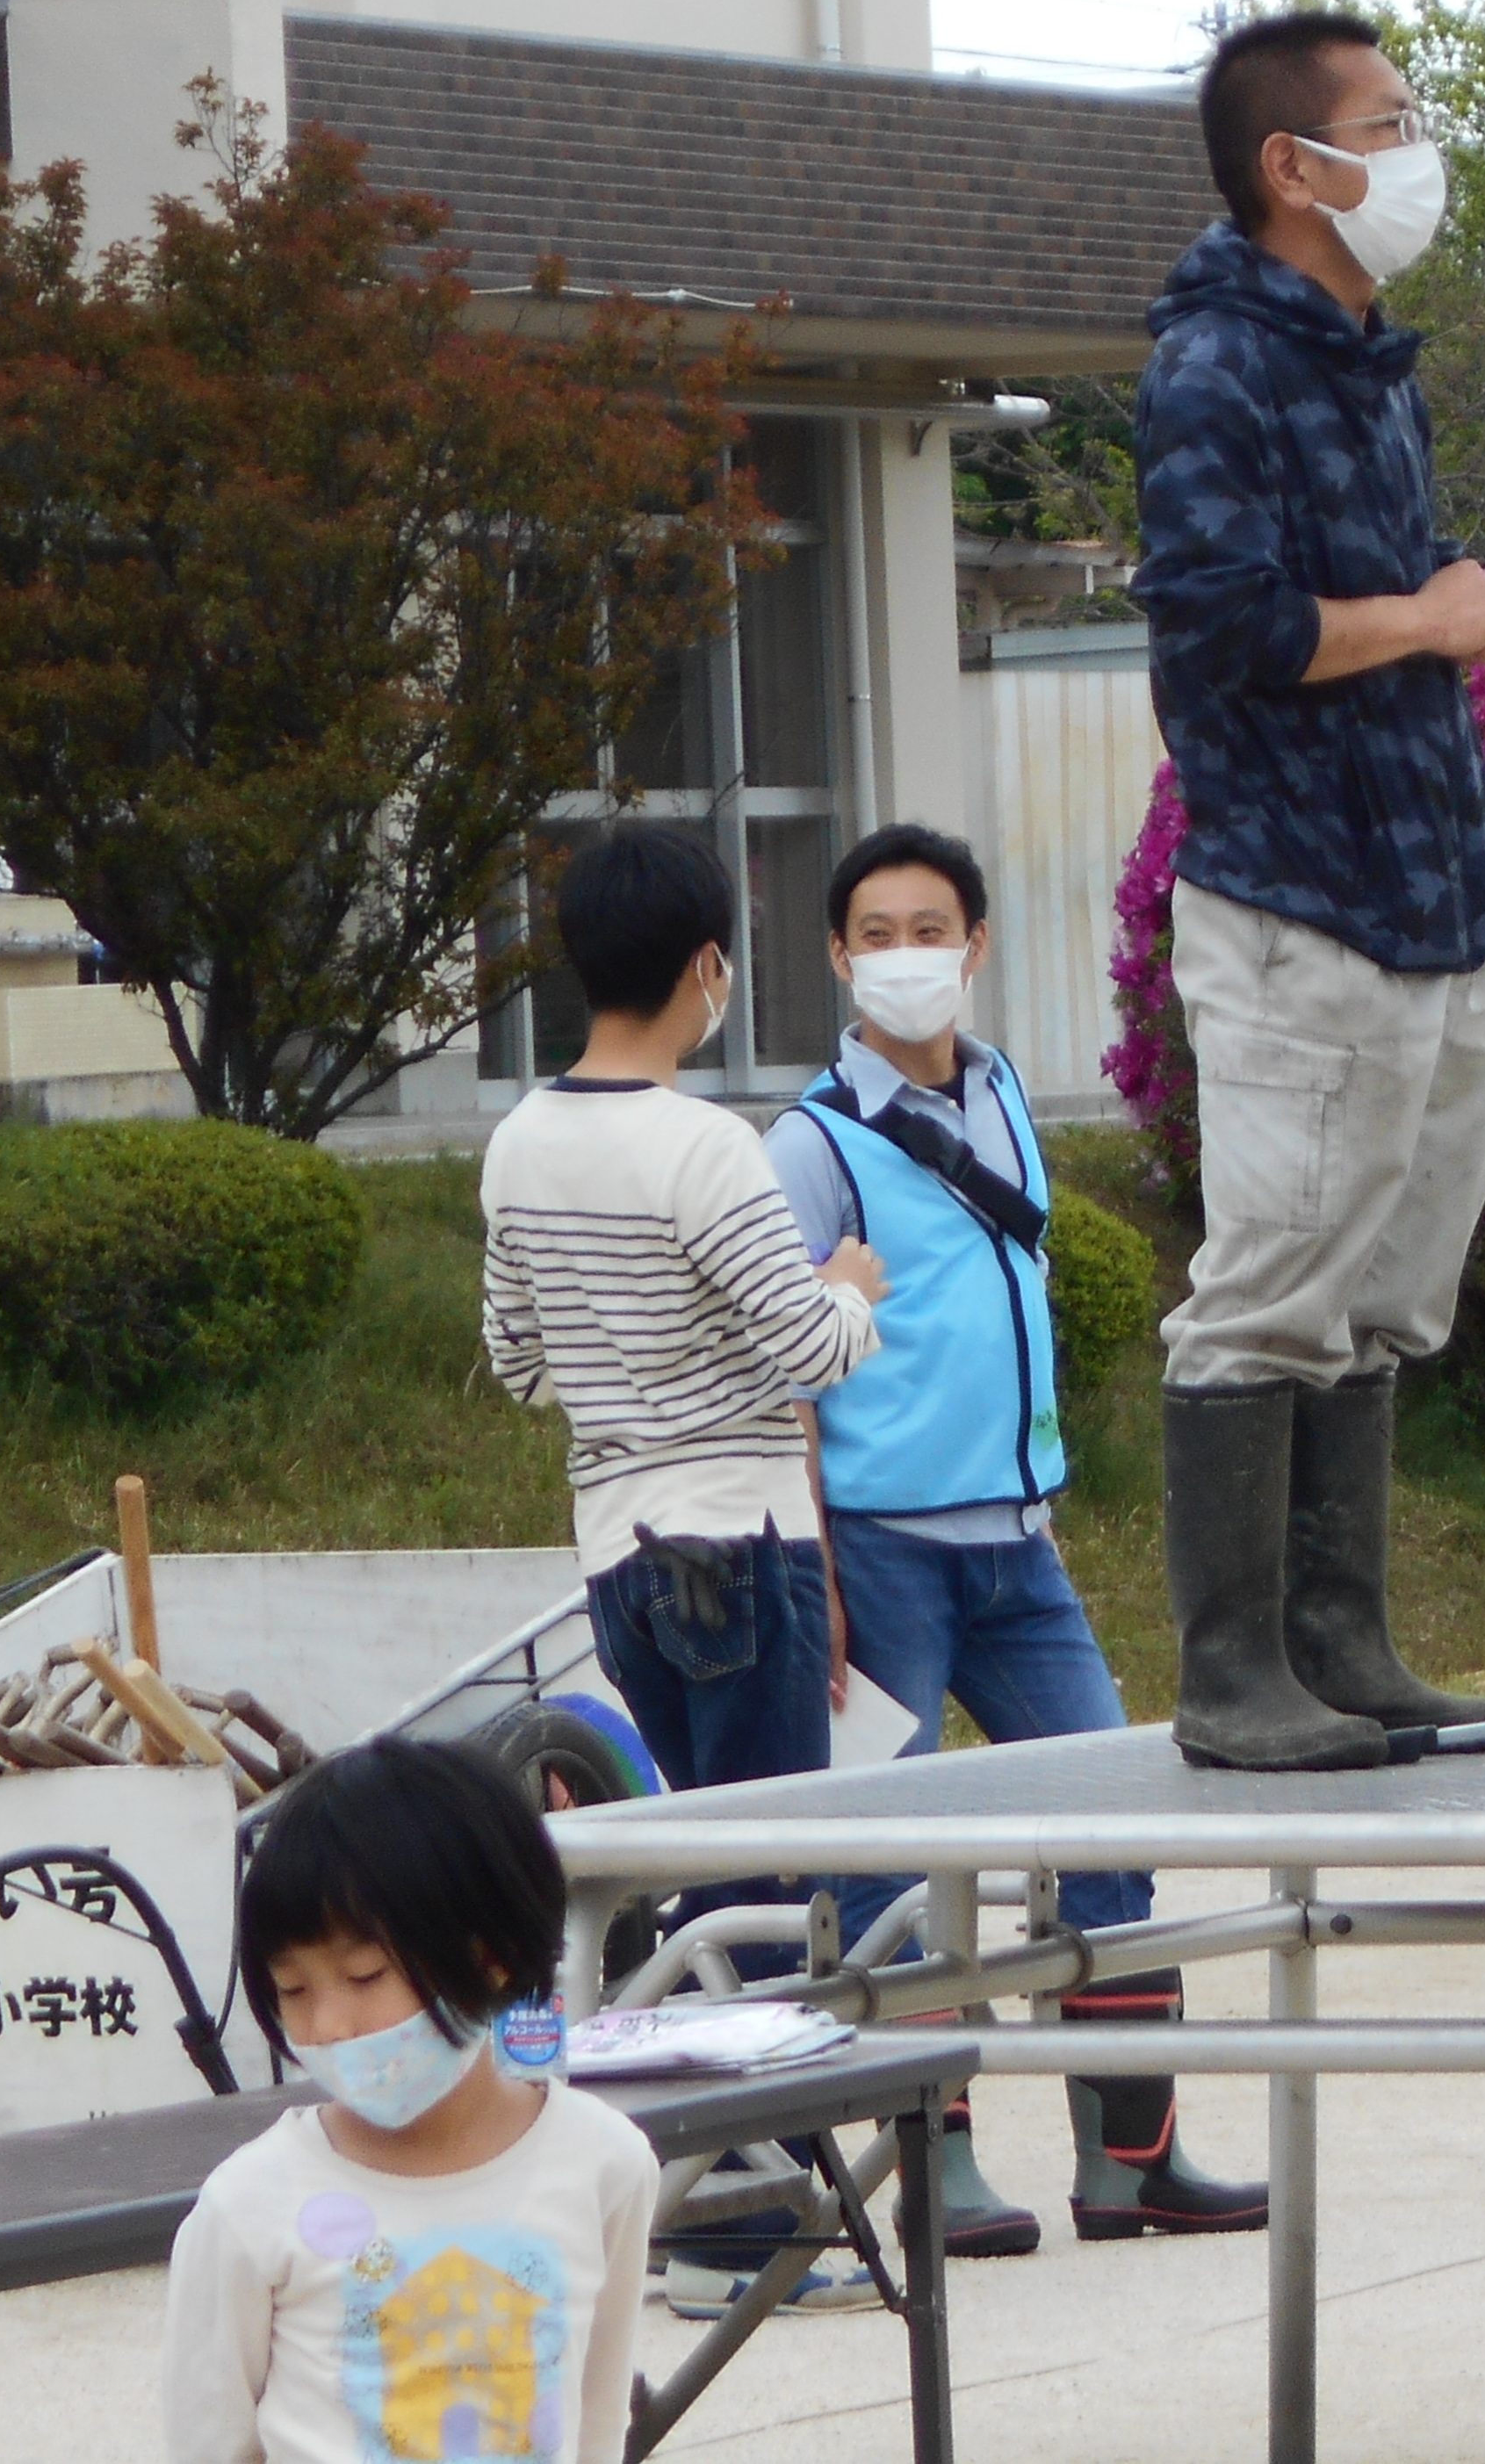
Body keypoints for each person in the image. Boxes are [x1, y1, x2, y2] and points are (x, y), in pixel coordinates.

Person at [766, 821, 1265, 2255]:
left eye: (932, 925)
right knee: (888, 1864)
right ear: (837, 954)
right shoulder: (808, 1144)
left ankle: (1131, 2158)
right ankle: (938, 2166)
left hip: (1018, 1548)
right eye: (876, 930)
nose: (906, 953)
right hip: (877, 1551)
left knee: (1115, 1821)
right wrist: (820, 1578)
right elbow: (786, 1370)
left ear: (976, 944)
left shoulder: (998, 1098)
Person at [1128, 7, 1485, 1771]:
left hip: (1428, 893)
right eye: (1388, 120)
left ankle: (1340, 1642)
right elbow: (1221, 626)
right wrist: (1432, 620)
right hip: (1297, 904)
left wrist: (1448, 613)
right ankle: (1232, 1675)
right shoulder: (1218, 362)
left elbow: (1363, 612)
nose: (1416, 147)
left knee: (1383, 1283)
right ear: (1294, 167)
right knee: (1274, 1274)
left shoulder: (1365, 358)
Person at [479, 821, 887, 2314]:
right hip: (743, 1536)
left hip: (617, 1557)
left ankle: (707, 2198)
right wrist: (850, 1290)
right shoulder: (706, 1142)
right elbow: (804, 1348)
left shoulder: (519, 1138)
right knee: (762, 1881)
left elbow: (514, 1359)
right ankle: (743, 2218)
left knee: (692, 1872)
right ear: (708, 967)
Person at [165, 1736, 659, 2464]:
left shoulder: (605, 2165)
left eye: (364, 1976)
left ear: (488, 1956)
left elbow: (598, 2419)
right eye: (293, 1990)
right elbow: (205, 2443)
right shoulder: (249, 2206)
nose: (328, 2025)